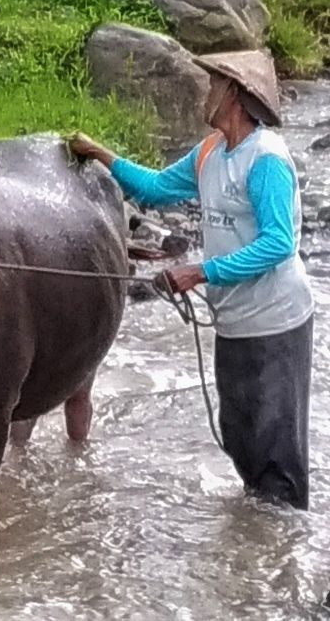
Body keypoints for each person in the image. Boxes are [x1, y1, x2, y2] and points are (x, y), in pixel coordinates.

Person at [69, 49, 314, 510]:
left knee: (276, 454)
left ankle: (281, 557)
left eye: (214, 85)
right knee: (241, 438)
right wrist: (100, 154)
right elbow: (157, 188)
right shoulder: (210, 153)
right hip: (234, 318)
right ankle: (251, 549)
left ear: (236, 96)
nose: (206, 93)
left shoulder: (265, 161)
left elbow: (279, 243)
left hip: (276, 323)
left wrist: (200, 270)